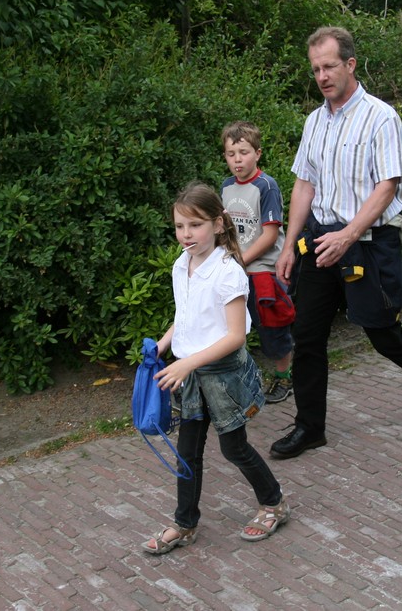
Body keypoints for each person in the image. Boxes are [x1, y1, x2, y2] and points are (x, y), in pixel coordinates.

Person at [269, 26, 402, 461]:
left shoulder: (381, 117)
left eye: (329, 66)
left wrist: (349, 234)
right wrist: (288, 244)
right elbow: (304, 185)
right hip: (321, 242)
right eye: (315, 69)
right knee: (307, 335)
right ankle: (309, 428)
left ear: (350, 64)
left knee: (383, 334)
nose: (322, 76)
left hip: (369, 243)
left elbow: (387, 186)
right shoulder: (314, 121)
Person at [141, 182, 289, 554]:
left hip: (224, 377)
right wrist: (163, 345)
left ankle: (274, 503)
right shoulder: (182, 264)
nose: (186, 234)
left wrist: (186, 363)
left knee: (234, 448)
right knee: (187, 453)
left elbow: (235, 336)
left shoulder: (228, 272)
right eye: (180, 226)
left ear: (218, 224)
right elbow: (186, 315)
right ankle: (185, 523)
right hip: (191, 376)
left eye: (195, 225)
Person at [220, 121, 295, 404]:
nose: (237, 160)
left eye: (244, 152)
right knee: (233, 329)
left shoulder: (266, 186)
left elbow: (270, 234)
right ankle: (237, 380)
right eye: (231, 154)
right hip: (235, 270)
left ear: (258, 153)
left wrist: (240, 260)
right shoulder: (226, 186)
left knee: (272, 327)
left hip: (263, 271)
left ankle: (284, 377)